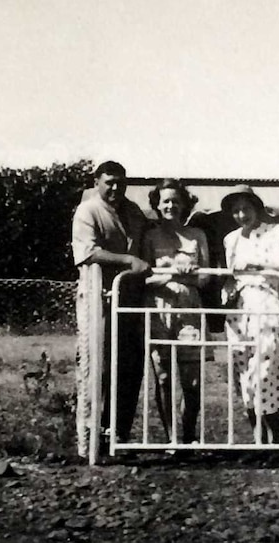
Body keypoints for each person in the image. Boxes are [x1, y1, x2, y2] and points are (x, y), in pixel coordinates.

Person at [71, 160, 150, 456]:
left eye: (120, 182)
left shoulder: (133, 211)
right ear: (97, 182)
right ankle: (88, 438)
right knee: (96, 367)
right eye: (109, 182)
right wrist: (127, 260)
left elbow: (145, 245)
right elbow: (87, 252)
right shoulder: (88, 211)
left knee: (129, 367)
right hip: (98, 300)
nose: (115, 188)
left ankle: (118, 434)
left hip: (130, 301)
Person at [221, 184, 279, 444]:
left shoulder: (274, 231)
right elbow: (231, 276)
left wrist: (256, 265)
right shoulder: (231, 239)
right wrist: (226, 291)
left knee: (266, 372)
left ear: (257, 208)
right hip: (240, 310)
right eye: (236, 211)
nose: (242, 215)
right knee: (245, 374)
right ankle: (258, 438)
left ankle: (276, 437)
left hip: (267, 305)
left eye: (246, 209)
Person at [142, 179, 210, 444]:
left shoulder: (197, 235)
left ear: (184, 204)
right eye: (165, 201)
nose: (171, 206)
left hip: (190, 310)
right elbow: (143, 278)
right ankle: (171, 439)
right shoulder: (150, 236)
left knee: (192, 382)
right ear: (157, 205)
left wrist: (190, 276)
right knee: (163, 376)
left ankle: (189, 435)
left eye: (176, 201)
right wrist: (171, 274)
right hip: (159, 310)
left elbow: (206, 277)